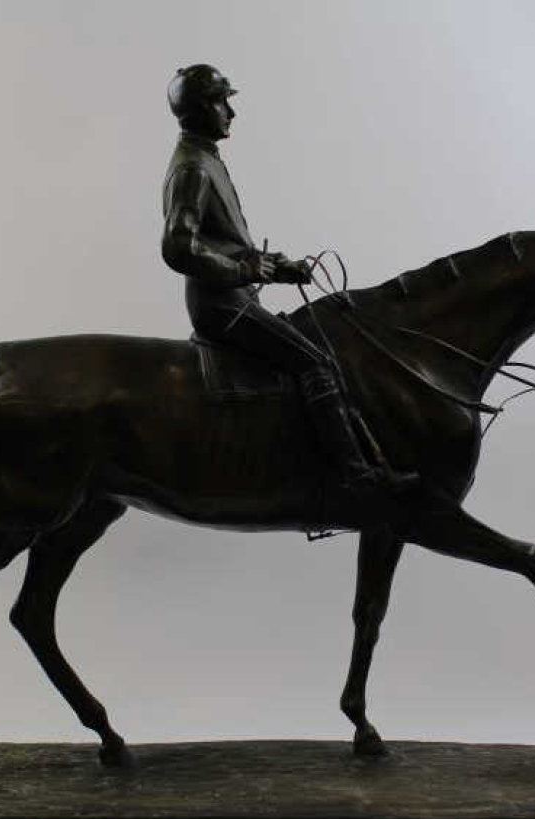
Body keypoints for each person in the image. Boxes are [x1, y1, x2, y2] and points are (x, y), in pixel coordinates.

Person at [161, 64, 405, 497]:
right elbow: (179, 248)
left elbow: (223, 241)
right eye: (221, 102)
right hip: (222, 306)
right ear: (199, 110)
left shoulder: (207, 158)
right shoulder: (193, 168)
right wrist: (245, 271)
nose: (231, 112)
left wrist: (274, 267)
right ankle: (354, 476)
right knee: (316, 363)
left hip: (237, 296)